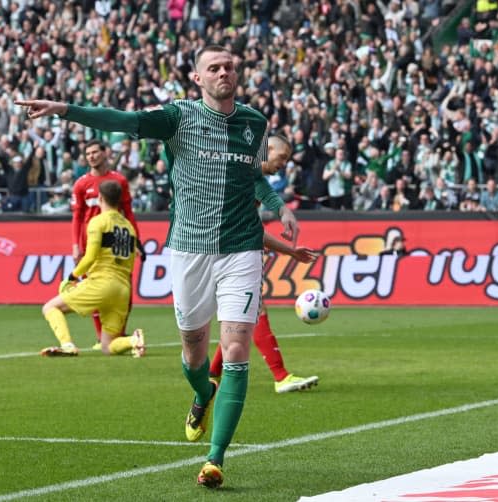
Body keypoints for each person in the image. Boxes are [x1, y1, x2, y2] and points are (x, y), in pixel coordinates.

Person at [16, 44, 299, 489]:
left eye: (229, 66)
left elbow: (252, 174)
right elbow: (123, 120)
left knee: (238, 347)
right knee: (193, 352)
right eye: (214, 67)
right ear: (198, 78)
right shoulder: (177, 117)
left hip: (241, 249)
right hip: (189, 250)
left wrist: (277, 206)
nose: (223, 72)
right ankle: (203, 393)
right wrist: (65, 109)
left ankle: (215, 458)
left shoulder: (255, 123)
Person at [209, 135, 319, 393]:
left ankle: (211, 373)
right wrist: (290, 252)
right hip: (226, 255)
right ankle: (280, 376)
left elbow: (253, 228)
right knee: (253, 313)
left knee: (239, 318)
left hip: (221, 252)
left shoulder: (249, 178)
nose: (284, 164)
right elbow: (252, 229)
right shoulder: (242, 175)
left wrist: (289, 251)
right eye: (282, 158)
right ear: (267, 149)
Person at [40, 180, 146, 358]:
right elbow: (130, 262)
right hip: (122, 289)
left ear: (100, 198)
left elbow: (89, 257)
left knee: (50, 307)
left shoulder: (97, 222)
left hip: (102, 283)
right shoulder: (129, 227)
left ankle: (67, 345)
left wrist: (72, 277)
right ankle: (133, 340)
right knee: (107, 346)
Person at [70, 139, 143, 351]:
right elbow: (77, 217)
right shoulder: (81, 184)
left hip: (117, 241)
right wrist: (76, 244)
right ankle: (100, 336)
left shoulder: (119, 181)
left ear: (105, 153)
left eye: (95, 152)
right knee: (94, 288)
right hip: (91, 241)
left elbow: (128, 212)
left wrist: (136, 240)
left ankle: (118, 333)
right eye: (88, 153)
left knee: (124, 288)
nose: (91, 156)